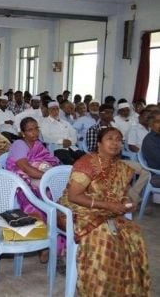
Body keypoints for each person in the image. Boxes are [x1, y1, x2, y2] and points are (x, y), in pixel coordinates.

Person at [58, 127, 150, 296]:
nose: (115, 143)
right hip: (79, 211)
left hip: (107, 211)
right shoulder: (86, 163)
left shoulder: (119, 166)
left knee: (133, 234)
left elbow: (122, 193)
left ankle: (126, 289)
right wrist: (109, 206)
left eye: (119, 139)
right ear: (99, 143)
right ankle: (100, 290)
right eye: (110, 138)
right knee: (105, 239)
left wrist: (127, 202)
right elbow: (74, 196)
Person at [6, 117, 60, 219]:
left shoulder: (37, 144)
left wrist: (51, 174)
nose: (35, 132)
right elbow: (25, 168)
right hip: (21, 180)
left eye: (36, 128)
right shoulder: (19, 144)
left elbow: (50, 161)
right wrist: (47, 176)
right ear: (23, 133)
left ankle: (56, 220)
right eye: (30, 130)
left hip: (36, 176)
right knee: (46, 188)